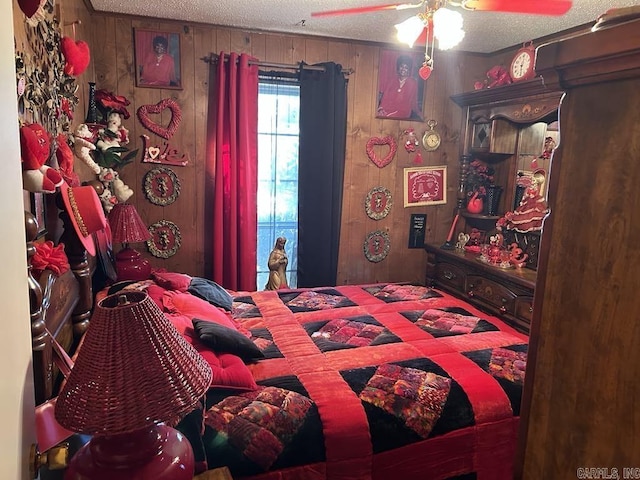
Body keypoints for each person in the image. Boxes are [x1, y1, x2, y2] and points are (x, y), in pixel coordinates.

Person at [377, 55, 423, 120]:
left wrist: (419, 113)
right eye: (401, 66)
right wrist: (381, 109)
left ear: (409, 69)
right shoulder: (392, 80)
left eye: (406, 67)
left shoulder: (413, 83)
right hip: (388, 109)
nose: (403, 69)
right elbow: (385, 97)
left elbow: (413, 101)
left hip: (403, 112)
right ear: (398, 67)